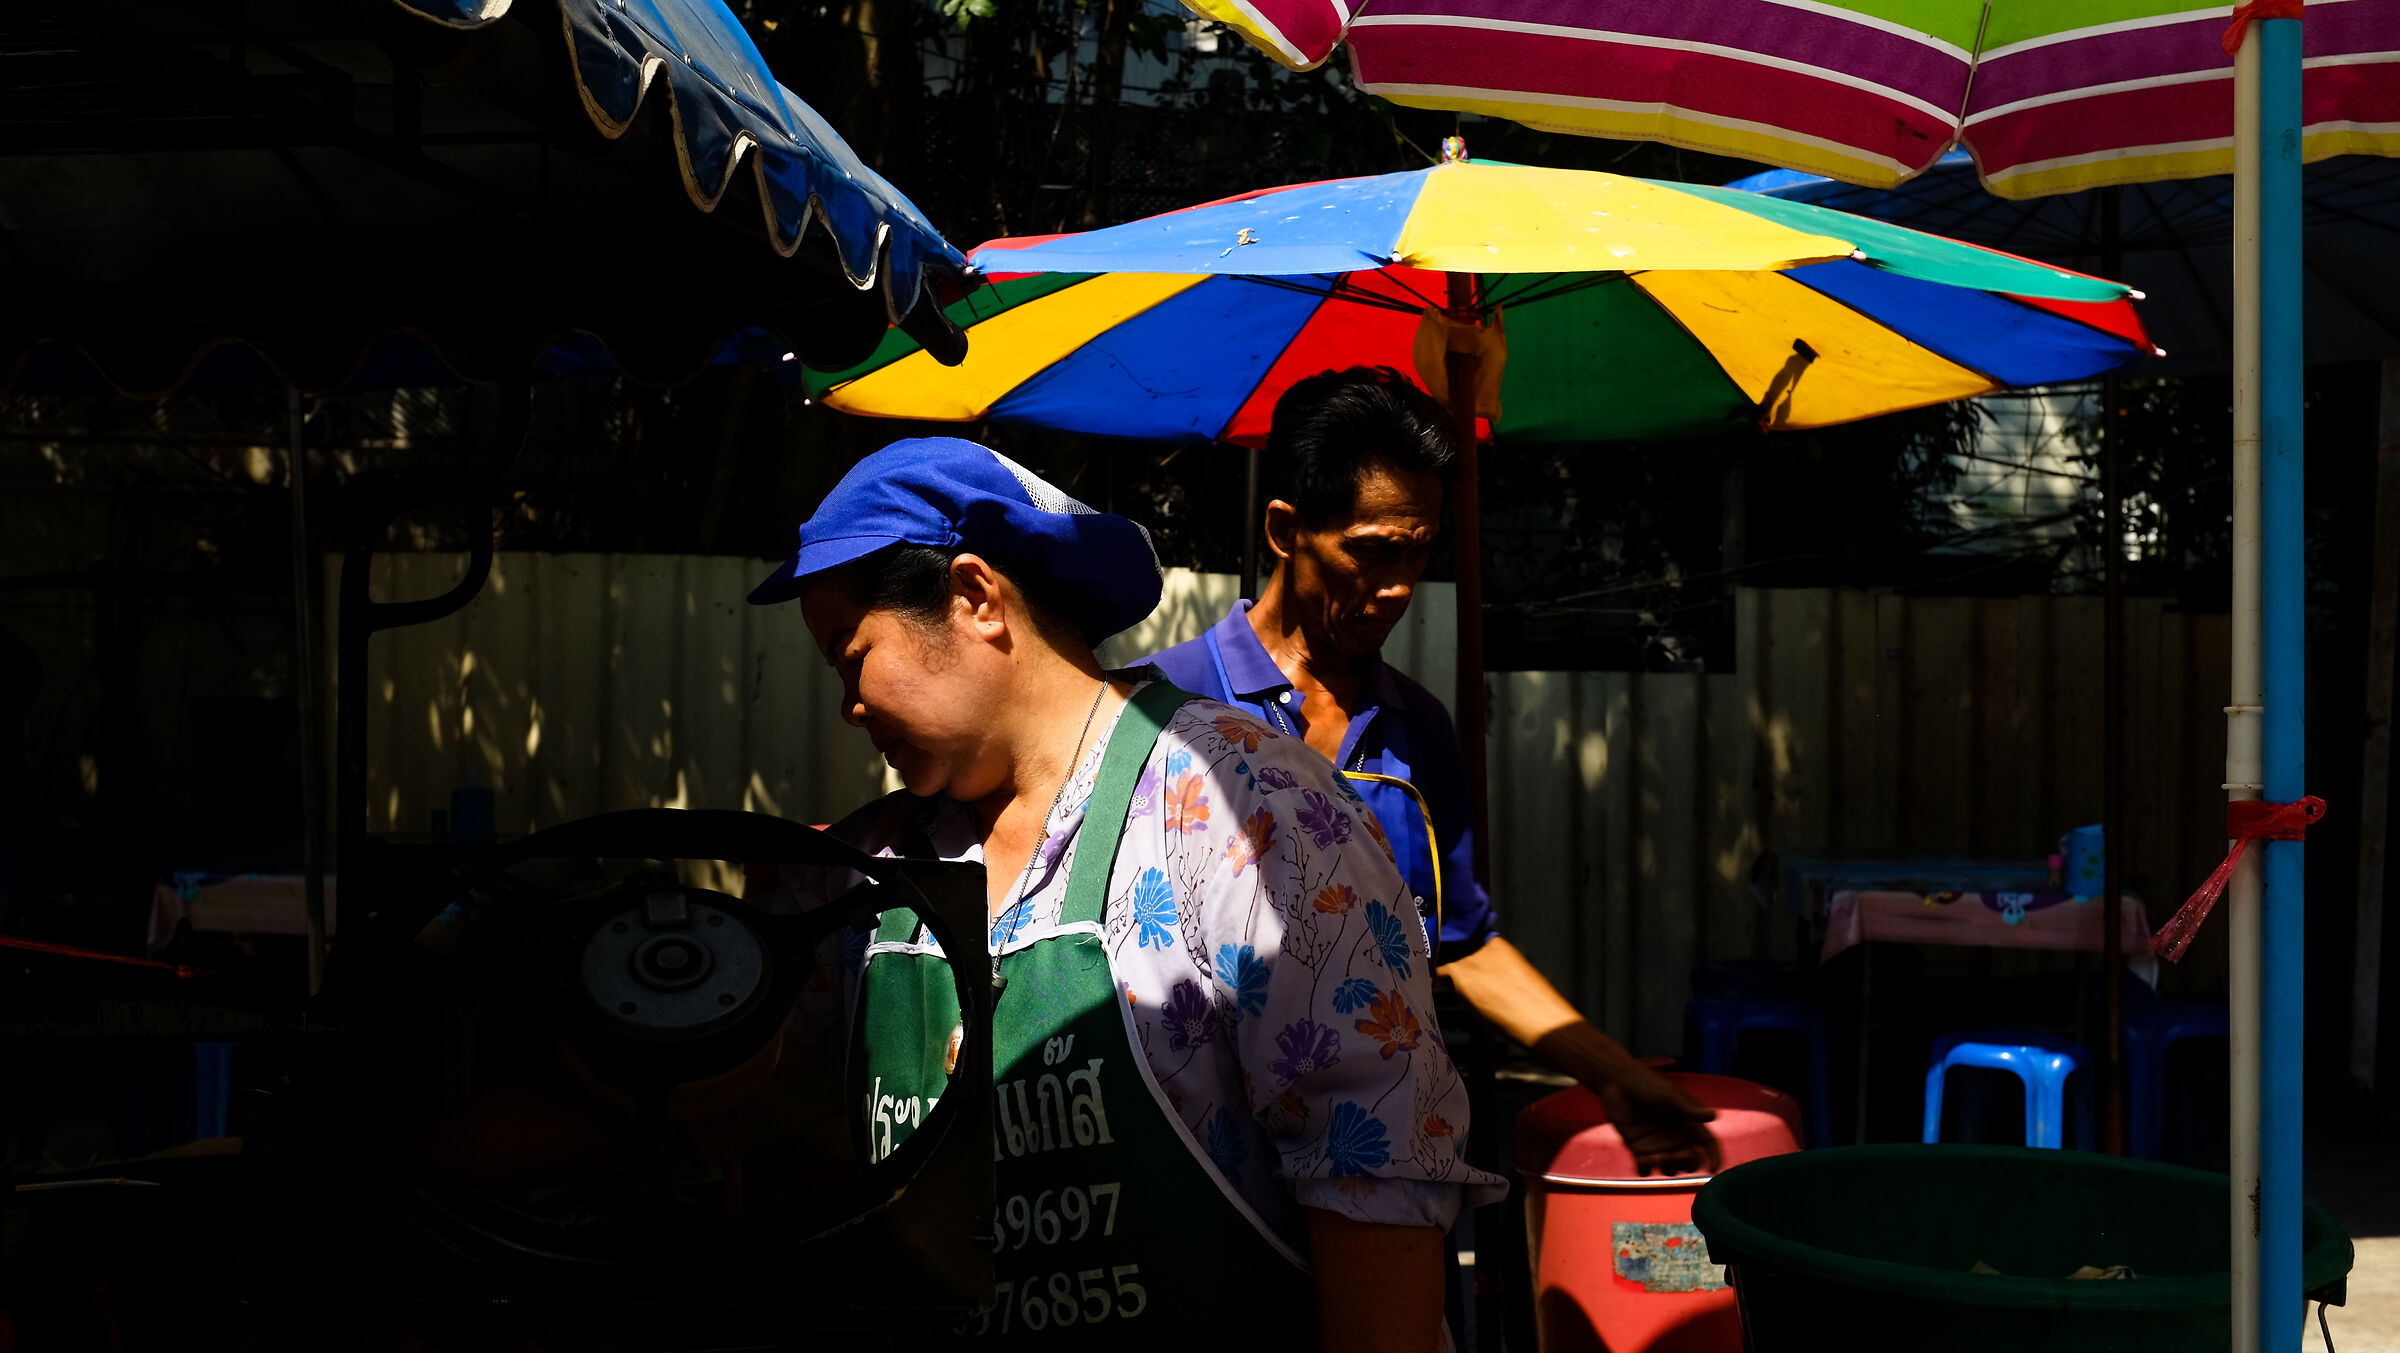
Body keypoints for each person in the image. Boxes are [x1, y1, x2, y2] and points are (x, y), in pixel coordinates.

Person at [747, 437, 1504, 1351]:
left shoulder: (1249, 808)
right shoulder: (867, 871)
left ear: (975, 597)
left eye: (850, 653)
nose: (849, 706)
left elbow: (1376, 1178)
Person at [1145, 368, 1722, 1176]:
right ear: (1285, 530)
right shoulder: (1160, 710)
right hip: (1210, 1174)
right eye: (1374, 553)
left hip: (1388, 1164)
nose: (1399, 589)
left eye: (1420, 552)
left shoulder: (1419, 728)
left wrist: (1616, 1074)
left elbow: (1461, 945)